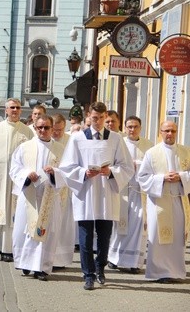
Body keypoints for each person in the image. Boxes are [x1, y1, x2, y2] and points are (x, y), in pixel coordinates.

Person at [59, 101, 134, 290]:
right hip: (86, 192)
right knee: (85, 237)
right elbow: (67, 166)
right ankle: (88, 274)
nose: (98, 121)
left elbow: (126, 167)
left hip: (107, 192)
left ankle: (100, 267)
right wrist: (84, 173)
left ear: (106, 117)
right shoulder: (77, 138)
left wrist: (110, 172)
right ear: (88, 116)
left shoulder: (116, 139)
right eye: (95, 117)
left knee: (104, 236)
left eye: (102, 118)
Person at [10, 115, 66, 280]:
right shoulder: (25, 147)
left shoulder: (61, 149)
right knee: (25, 229)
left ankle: (42, 267)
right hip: (29, 195)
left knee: (45, 231)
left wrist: (54, 172)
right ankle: (25, 263)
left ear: (52, 128)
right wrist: (27, 175)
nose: (43, 130)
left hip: (49, 196)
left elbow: (67, 172)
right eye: (39, 127)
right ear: (35, 128)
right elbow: (14, 168)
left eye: (46, 127)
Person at [0, 98, 34, 262]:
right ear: (6, 110)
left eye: (18, 108)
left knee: (15, 213)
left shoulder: (27, 132)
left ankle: (10, 248)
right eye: (12, 108)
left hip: (18, 180)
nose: (15, 110)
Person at [138, 120, 190, 283]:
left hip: (179, 200)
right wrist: (163, 178)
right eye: (167, 131)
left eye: (173, 131)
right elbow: (142, 177)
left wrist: (181, 177)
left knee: (177, 238)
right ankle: (159, 272)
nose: (170, 134)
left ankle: (175, 272)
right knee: (158, 237)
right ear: (160, 132)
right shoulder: (152, 153)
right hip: (159, 202)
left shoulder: (185, 151)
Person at [107, 115, 153, 274]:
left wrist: (138, 165)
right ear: (125, 128)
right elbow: (110, 165)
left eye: (135, 127)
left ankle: (134, 262)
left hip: (141, 192)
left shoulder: (148, 146)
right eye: (129, 127)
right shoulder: (118, 144)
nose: (132, 130)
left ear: (140, 128)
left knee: (139, 226)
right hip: (121, 190)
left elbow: (152, 168)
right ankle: (114, 258)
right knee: (119, 226)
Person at [50, 113, 76, 268]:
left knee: (65, 225)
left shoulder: (71, 142)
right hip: (50, 189)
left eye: (60, 130)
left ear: (64, 127)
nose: (57, 133)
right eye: (54, 129)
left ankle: (61, 259)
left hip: (67, 189)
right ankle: (48, 257)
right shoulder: (47, 141)